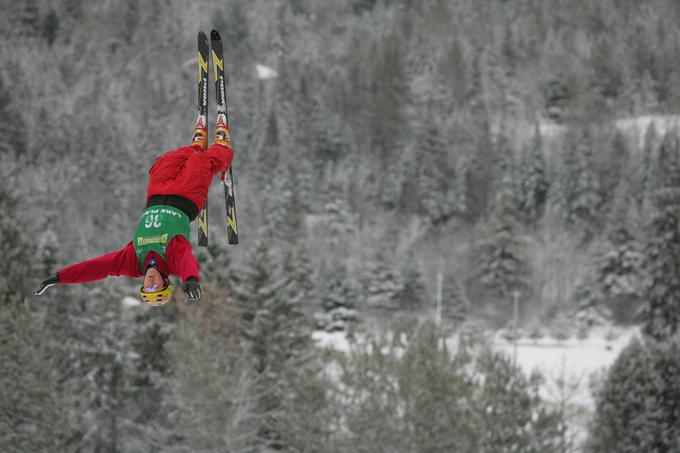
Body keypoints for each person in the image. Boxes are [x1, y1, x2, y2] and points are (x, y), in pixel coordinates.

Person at [34, 114, 234, 306]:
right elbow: (186, 261)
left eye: (147, 288)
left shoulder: (133, 262)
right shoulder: (171, 260)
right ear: (165, 282)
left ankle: (196, 147)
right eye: (156, 286)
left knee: (163, 163)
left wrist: (59, 277)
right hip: (187, 196)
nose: (150, 282)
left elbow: (98, 267)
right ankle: (222, 147)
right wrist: (191, 279)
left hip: (157, 193)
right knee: (202, 164)